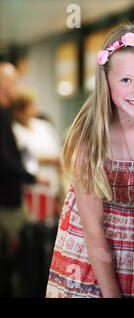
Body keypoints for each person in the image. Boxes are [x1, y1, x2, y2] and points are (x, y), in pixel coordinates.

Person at [45, 24, 134, 298]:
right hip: (91, 260)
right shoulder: (90, 137)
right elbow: (94, 232)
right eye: (126, 80)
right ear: (106, 80)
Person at [0, 62, 49, 296]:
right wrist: (31, 176)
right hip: (6, 199)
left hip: (10, 195)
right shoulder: (2, 115)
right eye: (13, 81)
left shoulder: (5, 114)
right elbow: (4, 159)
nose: (16, 86)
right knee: (22, 250)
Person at [10, 89, 62, 220]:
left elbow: (58, 149)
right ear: (20, 109)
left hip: (52, 182)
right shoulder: (15, 130)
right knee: (36, 224)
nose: (35, 107)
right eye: (30, 105)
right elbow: (20, 159)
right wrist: (45, 160)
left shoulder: (43, 126)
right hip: (32, 184)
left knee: (52, 221)